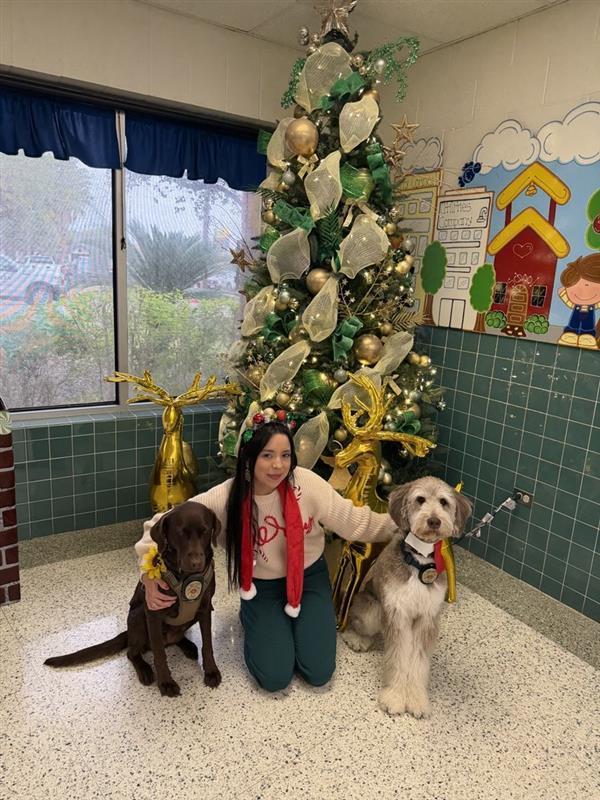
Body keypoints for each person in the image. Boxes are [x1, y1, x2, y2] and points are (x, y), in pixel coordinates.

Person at [135, 415, 397, 693]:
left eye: (285, 455)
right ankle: (254, 619)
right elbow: (159, 524)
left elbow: (356, 522)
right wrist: (147, 576)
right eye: (267, 455)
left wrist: (406, 525)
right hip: (261, 588)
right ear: (249, 458)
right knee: (274, 678)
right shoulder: (227, 496)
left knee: (318, 672)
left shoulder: (307, 485)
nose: (278, 465)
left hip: (309, 579)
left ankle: (297, 623)